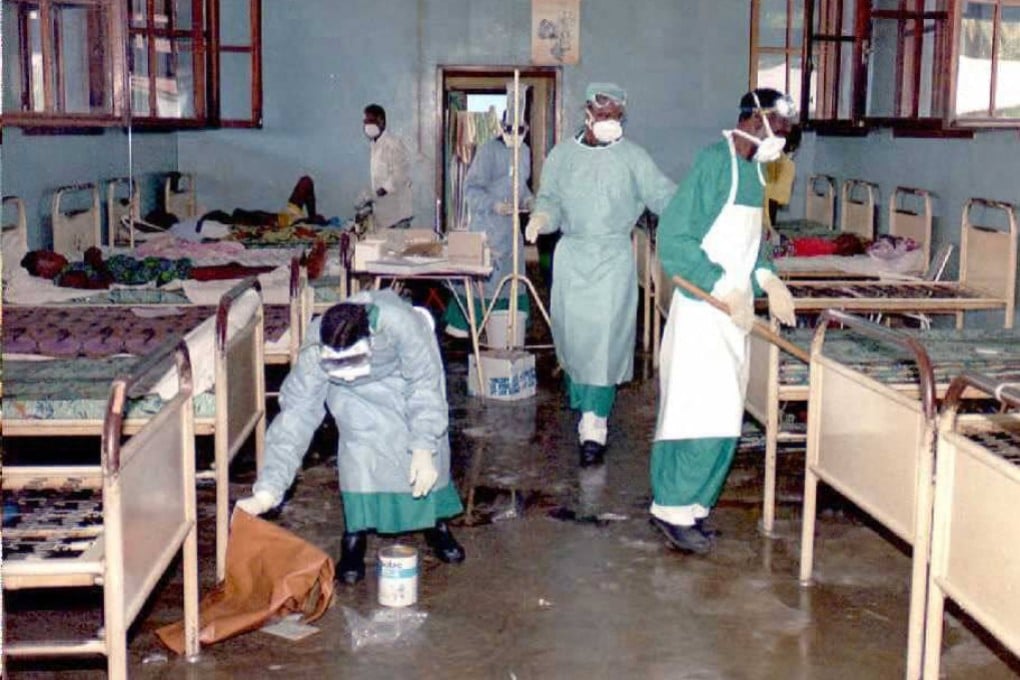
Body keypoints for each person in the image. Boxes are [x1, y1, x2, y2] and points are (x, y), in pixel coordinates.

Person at [648, 88, 797, 555]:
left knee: (726, 417)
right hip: (701, 311)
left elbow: (755, 244)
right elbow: (674, 239)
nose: (786, 140)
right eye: (782, 128)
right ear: (755, 120)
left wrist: (768, 280)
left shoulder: (757, 172)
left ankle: (694, 506)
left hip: (733, 317)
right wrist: (719, 285)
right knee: (695, 415)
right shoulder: (715, 163)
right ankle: (671, 507)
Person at [235, 290, 466, 584]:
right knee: (359, 458)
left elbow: (424, 384)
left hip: (402, 381)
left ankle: (435, 523)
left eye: (349, 364)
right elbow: (296, 415)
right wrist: (268, 489)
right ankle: (354, 536)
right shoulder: (316, 349)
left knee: (422, 459)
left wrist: (423, 447)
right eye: (337, 366)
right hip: (352, 398)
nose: (345, 372)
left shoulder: (399, 323)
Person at [524, 82, 676, 467]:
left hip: (611, 259)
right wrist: (541, 217)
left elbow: (663, 195)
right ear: (587, 112)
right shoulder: (562, 156)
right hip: (572, 258)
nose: (609, 122)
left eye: (616, 116)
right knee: (574, 343)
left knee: (605, 343)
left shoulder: (633, 157)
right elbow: (551, 199)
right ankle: (584, 407)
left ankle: (595, 424)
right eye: (603, 115)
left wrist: (704, 203)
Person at [444, 111, 533, 338]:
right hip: (489, 229)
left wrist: (529, 200)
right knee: (483, 287)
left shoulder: (524, 152)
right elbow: (471, 190)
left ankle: (505, 335)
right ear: (502, 126)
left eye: (520, 130)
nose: (515, 135)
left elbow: (521, 186)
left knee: (510, 286)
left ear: (528, 129)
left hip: (511, 234)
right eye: (510, 128)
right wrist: (493, 205)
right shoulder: (488, 151)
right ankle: (469, 333)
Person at [20, 247, 277, 289]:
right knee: (214, 273)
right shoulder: (66, 279)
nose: (54, 253)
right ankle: (277, 272)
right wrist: (95, 262)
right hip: (142, 277)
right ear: (43, 272)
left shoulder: (71, 268)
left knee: (226, 267)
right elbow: (103, 285)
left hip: (143, 267)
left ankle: (278, 269)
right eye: (48, 257)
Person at [362, 104, 413, 230]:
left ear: (381, 121)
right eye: (365, 122)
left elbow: (400, 176)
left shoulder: (393, 144)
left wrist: (378, 192)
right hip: (384, 216)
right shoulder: (375, 146)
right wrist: (368, 197)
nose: (367, 125)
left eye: (370, 121)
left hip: (398, 217)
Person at [764, 124, 802, 229]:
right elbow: (773, 201)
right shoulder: (787, 165)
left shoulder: (763, 156)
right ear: (793, 147)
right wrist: (771, 230)